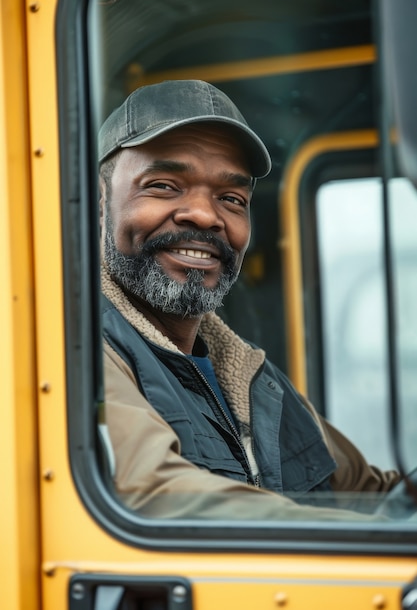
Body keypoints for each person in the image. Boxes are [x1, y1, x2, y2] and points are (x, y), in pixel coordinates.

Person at [99, 79, 399, 520]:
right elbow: (152, 495)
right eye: (163, 185)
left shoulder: (253, 378)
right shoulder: (74, 350)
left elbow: (372, 496)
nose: (204, 215)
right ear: (96, 203)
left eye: (231, 198)